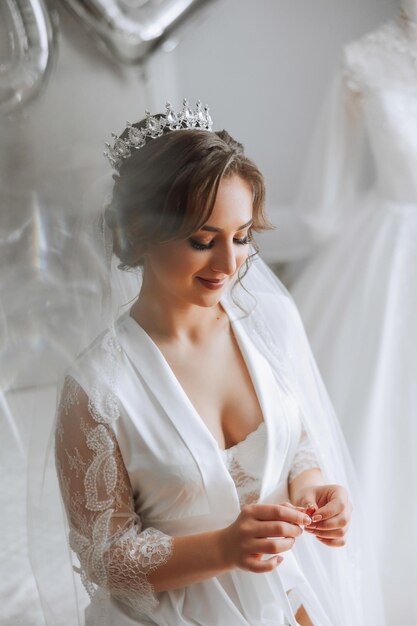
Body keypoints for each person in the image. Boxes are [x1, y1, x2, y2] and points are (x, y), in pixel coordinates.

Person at [54, 101, 383, 626]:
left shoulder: (267, 325)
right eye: (203, 241)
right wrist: (225, 548)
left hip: (290, 602)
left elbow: (293, 437)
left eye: (242, 237)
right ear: (139, 232)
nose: (229, 266)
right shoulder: (96, 390)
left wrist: (312, 485)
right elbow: (105, 559)